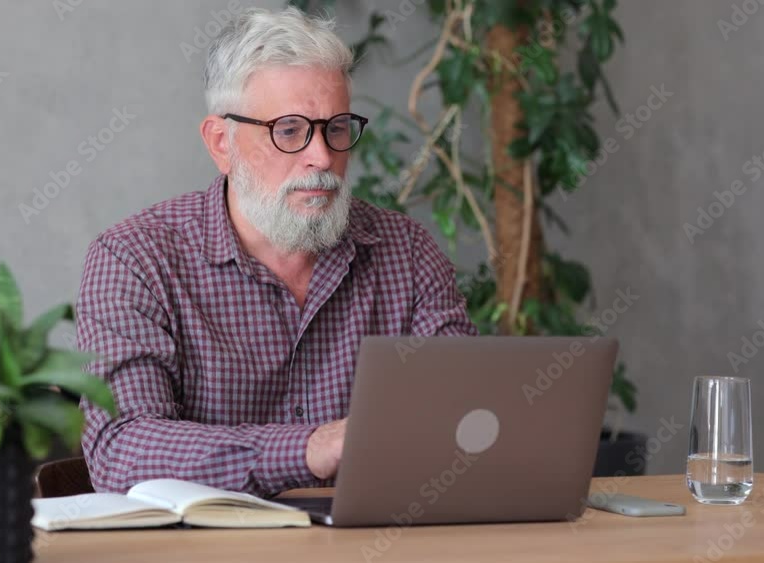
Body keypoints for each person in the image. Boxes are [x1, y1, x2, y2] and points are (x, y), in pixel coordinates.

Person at [77, 7, 477, 498]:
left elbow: (466, 417)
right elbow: (122, 450)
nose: (322, 157)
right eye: (289, 130)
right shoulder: (135, 260)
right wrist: (307, 448)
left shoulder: (407, 253)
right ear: (221, 143)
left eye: (336, 128)